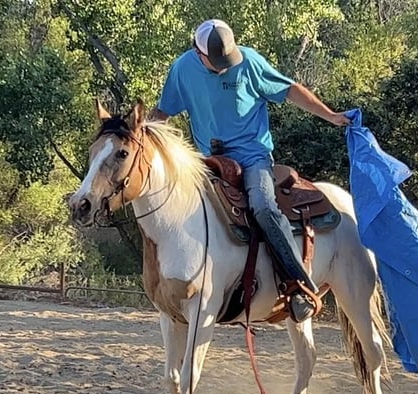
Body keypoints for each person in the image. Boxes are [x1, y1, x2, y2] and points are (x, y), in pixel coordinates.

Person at [149, 19, 349, 322]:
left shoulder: (249, 61)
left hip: (253, 158)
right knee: (178, 209)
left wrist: (331, 116)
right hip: (206, 162)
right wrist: (139, 135)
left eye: (227, 59)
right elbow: (163, 112)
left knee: (263, 207)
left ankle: (299, 285)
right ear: (198, 53)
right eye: (216, 61)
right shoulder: (182, 69)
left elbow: (290, 90)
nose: (224, 66)